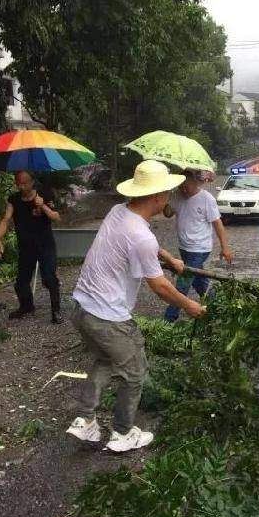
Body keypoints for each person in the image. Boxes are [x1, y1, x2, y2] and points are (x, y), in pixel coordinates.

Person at [66, 160, 205, 453]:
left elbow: (148, 244)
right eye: (167, 192)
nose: (169, 196)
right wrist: (190, 305)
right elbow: (160, 287)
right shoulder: (140, 236)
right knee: (135, 371)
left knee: (106, 360)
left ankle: (85, 420)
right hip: (107, 317)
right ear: (157, 197)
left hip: (82, 309)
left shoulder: (119, 212)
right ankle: (123, 433)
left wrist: (169, 258)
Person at [162, 170, 232, 322]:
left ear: (195, 181)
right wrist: (168, 196)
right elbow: (167, 214)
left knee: (183, 282)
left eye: (186, 185)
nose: (184, 189)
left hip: (200, 248)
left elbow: (218, 224)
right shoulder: (177, 196)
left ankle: (169, 319)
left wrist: (225, 247)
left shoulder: (207, 199)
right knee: (199, 281)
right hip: (184, 247)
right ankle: (218, 307)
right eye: (181, 186)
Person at [0, 170, 63, 323]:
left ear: (32, 182)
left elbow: (56, 217)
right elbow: (6, 219)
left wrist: (42, 206)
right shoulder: (14, 199)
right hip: (26, 246)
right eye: (18, 183)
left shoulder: (44, 194)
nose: (21, 186)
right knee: (21, 281)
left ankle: (56, 311)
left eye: (24, 183)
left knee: (49, 278)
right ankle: (27, 306)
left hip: (45, 245)